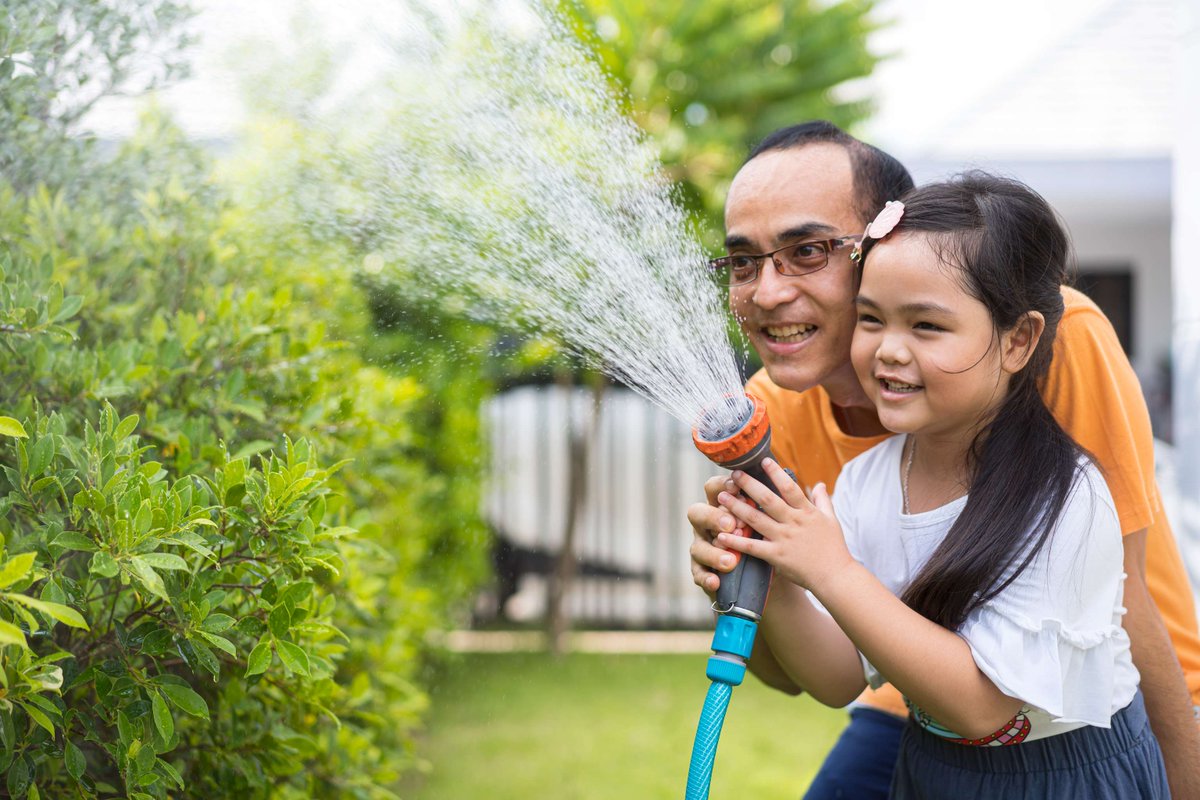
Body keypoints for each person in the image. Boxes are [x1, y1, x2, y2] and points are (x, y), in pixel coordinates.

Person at [687, 122, 1200, 798]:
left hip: (1082, 717)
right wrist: (760, 582)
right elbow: (823, 671)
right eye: (743, 263)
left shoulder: (1052, 347)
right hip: (923, 713)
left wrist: (1185, 775)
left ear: (885, 245)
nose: (767, 291)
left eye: (807, 251)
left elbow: (1129, 596)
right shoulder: (796, 431)